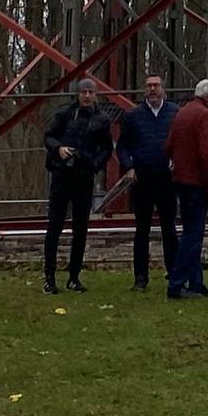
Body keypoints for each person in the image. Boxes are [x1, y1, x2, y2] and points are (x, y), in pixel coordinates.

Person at [40, 78, 116, 294]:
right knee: (54, 226)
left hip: (84, 176)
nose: (87, 96)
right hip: (62, 174)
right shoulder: (64, 114)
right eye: (84, 92)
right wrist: (59, 149)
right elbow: (48, 137)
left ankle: (74, 276)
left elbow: (106, 148)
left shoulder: (102, 119)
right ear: (78, 94)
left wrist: (94, 165)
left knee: (80, 229)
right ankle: (49, 277)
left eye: (91, 92)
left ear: (96, 94)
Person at [114, 73, 180, 291]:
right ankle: (140, 278)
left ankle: (174, 274)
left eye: (156, 85)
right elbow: (122, 147)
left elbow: (182, 142)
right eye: (149, 86)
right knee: (141, 230)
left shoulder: (174, 113)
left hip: (167, 179)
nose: (153, 89)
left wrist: (176, 160)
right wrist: (129, 167)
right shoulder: (133, 115)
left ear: (163, 89)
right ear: (144, 89)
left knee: (169, 229)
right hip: (142, 180)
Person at [164, 79, 208, 299]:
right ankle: (176, 283)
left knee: (190, 231)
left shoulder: (182, 112)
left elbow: (168, 145)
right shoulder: (205, 116)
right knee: (193, 235)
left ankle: (196, 282)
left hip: (180, 180)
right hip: (197, 183)